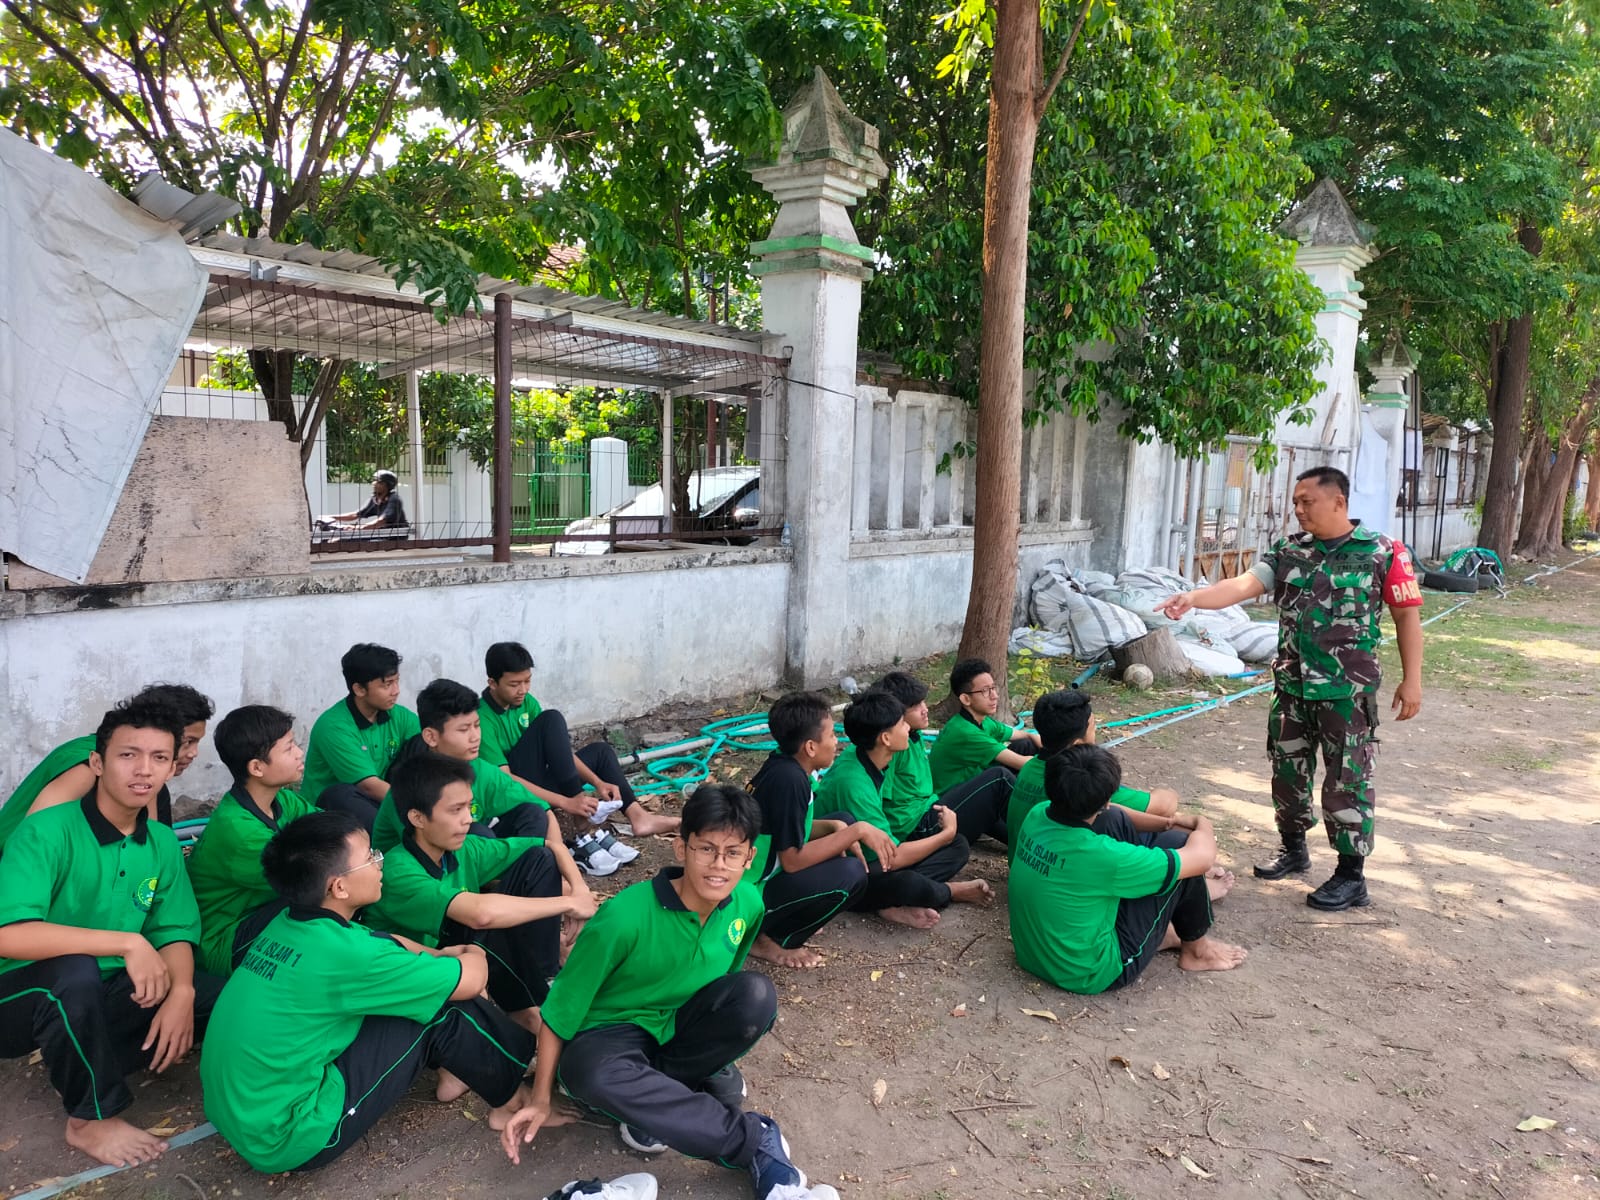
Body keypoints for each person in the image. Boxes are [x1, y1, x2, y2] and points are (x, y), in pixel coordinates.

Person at [499, 784, 840, 1200]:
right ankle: (753, 1139)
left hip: (677, 1024)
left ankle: (657, 1102)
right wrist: (540, 1097)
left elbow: (723, 988)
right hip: (611, 1033)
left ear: (750, 858)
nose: (718, 865)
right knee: (590, 1073)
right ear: (680, 849)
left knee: (756, 996)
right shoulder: (624, 917)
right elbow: (559, 1012)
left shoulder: (748, 903)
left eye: (733, 853)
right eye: (706, 849)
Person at [200, 810, 538, 1173]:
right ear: (339, 887)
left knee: (422, 986)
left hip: (243, 1112)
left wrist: (438, 955)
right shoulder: (349, 957)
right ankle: (513, 1101)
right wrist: (473, 953)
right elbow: (469, 981)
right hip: (289, 1134)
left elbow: (381, 940)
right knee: (444, 1008)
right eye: (370, 858)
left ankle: (465, 1070)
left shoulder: (287, 922)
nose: (381, 863)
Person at [1158, 465, 1424, 910]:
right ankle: (1294, 850)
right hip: (1293, 688)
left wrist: (1412, 679)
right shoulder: (1288, 550)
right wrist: (1192, 598)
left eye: (1307, 502)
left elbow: (1406, 617)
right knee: (1287, 774)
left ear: (1338, 502)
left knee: (1347, 781)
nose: (1298, 510)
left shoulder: (1383, 552)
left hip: (1346, 693)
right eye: (1296, 502)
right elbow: (1243, 584)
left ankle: (1350, 875)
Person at [0, 696, 221, 1168]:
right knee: (73, 977)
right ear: (98, 763)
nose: (144, 770)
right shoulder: (45, 832)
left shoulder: (160, 840)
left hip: (102, 989)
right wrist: (125, 942)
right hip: (17, 994)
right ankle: (89, 1120)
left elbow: (174, 927)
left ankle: (85, 1056)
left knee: (219, 993)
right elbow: (8, 935)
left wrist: (181, 992)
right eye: (128, 755)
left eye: (159, 758)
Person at [364, 753, 598, 1034]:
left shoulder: (463, 848)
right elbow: (480, 915)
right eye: (455, 810)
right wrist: (569, 903)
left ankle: (542, 980)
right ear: (418, 817)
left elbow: (551, 846)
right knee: (482, 922)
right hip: (417, 972)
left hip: (459, 955)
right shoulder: (398, 870)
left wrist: (581, 890)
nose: (468, 819)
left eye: (469, 807)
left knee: (539, 861)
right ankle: (528, 1012)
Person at [1009, 745, 1247, 995]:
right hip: (1090, 972)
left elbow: (1114, 813)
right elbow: (1202, 859)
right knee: (1179, 850)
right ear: (1106, 799)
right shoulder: (1103, 857)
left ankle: (1164, 927)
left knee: (1113, 821)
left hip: (1033, 955)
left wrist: (1167, 823)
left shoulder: (1038, 814)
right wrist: (1202, 824)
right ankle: (1197, 952)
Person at [478, 641, 678, 863]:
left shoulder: (526, 703)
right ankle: (581, 820)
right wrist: (568, 802)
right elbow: (505, 781)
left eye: (527, 681)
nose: (523, 690)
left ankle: (638, 817)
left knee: (600, 752)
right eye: (514, 684)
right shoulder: (481, 718)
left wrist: (597, 782)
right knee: (551, 719)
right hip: (512, 797)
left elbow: (559, 751)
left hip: (538, 786)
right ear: (493, 683)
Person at [815, 691, 992, 930]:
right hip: (844, 871)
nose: (908, 728)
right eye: (902, 723)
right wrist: (943, 835)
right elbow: (892, 857)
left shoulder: (872, 756)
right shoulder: (854, 785)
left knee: (957, 846)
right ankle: (947, 892)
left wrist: (946, 838)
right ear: (885, 738)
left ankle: (898, 899)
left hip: (875, 855)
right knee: (909, 882)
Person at [743, 692, 894, 970]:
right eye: (832, 736)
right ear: (810, 747)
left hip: (767, 864)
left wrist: (840, 828)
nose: (837, 742)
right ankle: (766, 936)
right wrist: (855, 832)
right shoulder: (790, 781)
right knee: (852, 872)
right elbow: (792, 861)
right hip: (748, 890)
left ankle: (793, 910)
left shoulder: (786, 764)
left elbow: (784, 828)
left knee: (842, 820)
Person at [0, 682, 214, 854]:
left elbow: (148, 848)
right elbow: (29, 842)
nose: (194, 753)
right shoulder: (87, 768)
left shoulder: (144, 778)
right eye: (188, 742)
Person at [186, 705, 317, 977]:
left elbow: (330, 830)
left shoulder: (283, 799)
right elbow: (313, 872)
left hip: (262, 915)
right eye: (289, 748)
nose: (299, 753)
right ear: (257, 767)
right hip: (223, 942)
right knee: (322, 894)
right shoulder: (239, 833)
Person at [371, 678, 559, 852]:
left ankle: (525, 878)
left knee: (532, 813)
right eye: (463, 729)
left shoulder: (478, 767)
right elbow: (429, 852)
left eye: (476, 726)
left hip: (467, 857)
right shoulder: (413, 785)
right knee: (475, 832)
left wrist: (555, 862)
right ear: (431, 737)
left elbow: (544, 810)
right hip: (419, 874)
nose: (475, 736)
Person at [1003, 689, 1180, 855]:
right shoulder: (1081, 782)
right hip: (1066, 867)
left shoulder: (1029, 768)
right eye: (1093, 726)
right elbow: (1163, 806)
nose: (1095, 731)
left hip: (1028, 860)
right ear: (1078, 743)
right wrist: (1169, 794)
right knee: (1176, 838)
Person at [875, 671, 1013, 847]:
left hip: (932, 807)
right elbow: (879, 800)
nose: (925, 709)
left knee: (989, 803)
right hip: (916, 826)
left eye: (923, 702)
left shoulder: (913, 734)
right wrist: (892, 844)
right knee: (999, 778)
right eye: (916, 706)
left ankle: (1028, 844)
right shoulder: (893, 747)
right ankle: (1041, 830)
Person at [300, 643, 422, 829]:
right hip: (334, 809)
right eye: (387, 684)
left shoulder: (399, 716)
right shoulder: (334, 726)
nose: (396, 690)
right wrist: (419, 808)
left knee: (423, 744)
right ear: (359, 690)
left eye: (397, 681)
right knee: (343, 793)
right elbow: (368, 786)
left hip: (381, 799)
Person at [926, 658, 1040, 794]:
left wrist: (1033, 736)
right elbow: (1025, 764)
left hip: (972, 782)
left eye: (993, 688)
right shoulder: (965, 733)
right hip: (951, 802)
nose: (995, 696)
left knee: (1025, 744)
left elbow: (1023, 734)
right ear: (966, 699)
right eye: (985, 691)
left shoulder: (983, 720)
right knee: (1002, 776)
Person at [316, 469, 410, 533]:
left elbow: (381, 521)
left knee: (339, 541)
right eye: (374, 481)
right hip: (381, 533)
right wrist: (331, 517)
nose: (374, 483)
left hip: (393, 537)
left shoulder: (394, 499)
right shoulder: (375, 499)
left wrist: (357, 528)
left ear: (386, 485)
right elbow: (356, 514)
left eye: (378, 481)